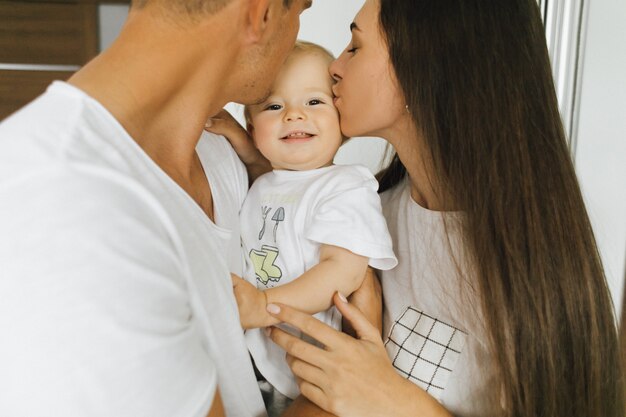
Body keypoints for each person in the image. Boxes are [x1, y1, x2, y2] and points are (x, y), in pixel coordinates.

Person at [264, 1, 625, 417]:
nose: (334, 68)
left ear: (421, 66)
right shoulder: (365, 217)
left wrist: (395, 402)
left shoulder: (530, 265)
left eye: (356, 47)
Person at [0, 1, 315, 416]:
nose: (295, 33)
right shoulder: (61, 200)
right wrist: (340, 399)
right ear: (262, 13)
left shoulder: (221, 155)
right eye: (301, 12)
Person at [205, 40, 397, 407]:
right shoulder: (265, 182)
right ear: (252, 125)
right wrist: (241, 142)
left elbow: (343, 272)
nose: (293, 115)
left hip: (313, 367)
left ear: (343, 121)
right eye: (274, 106)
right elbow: (272, 179)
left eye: (314, 102)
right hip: (258, 360)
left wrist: (264, 304)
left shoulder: (347, 186)